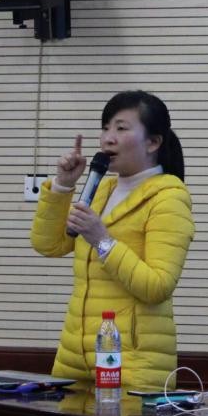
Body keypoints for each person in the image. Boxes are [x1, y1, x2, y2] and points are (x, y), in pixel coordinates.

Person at [31, 90, 194, 390]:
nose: (108, 138)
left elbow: (158, 286)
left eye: (121, 128)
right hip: (75, 359)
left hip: (133, 365)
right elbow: (49, 245)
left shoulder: (169, 198)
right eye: (105, 128)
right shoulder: (101, 190)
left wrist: (103, 240)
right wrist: (63, 187)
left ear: (153, 142)